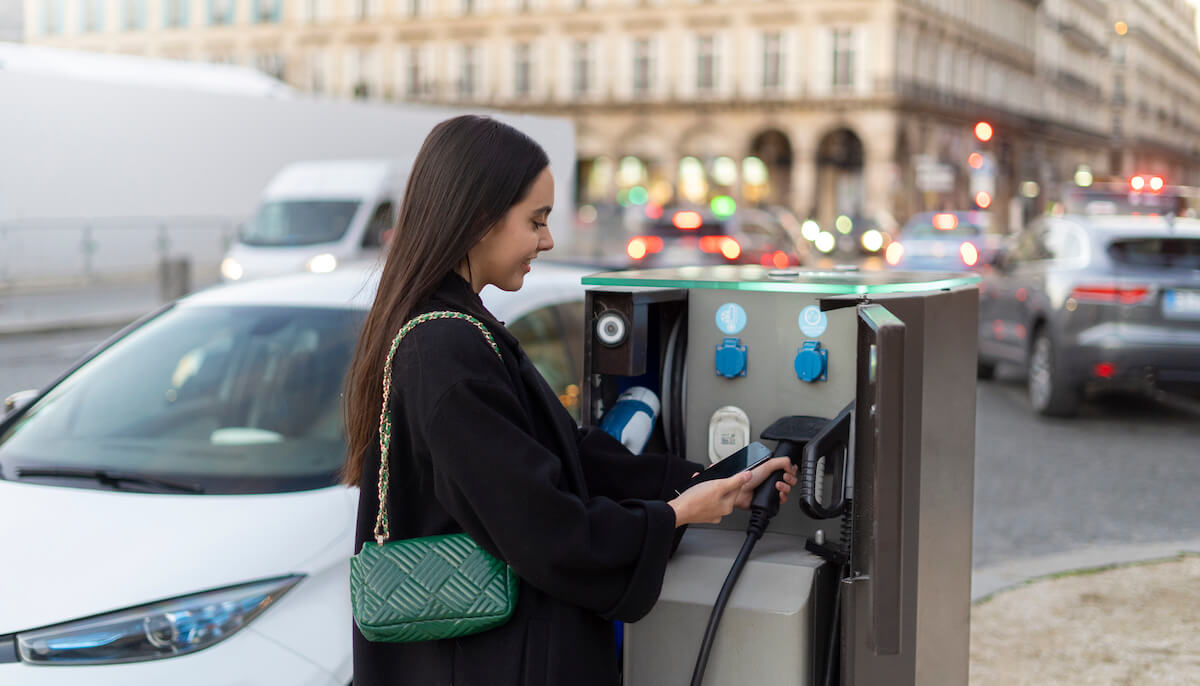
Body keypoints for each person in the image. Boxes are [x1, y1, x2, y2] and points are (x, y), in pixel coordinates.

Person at [342, 114, 798, 686]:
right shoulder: (445, 347)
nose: (548, 240)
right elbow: (545, 530)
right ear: (480, 219)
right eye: (536, 221)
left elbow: (565, 456)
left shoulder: (455, 329)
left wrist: (704, 479)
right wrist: (678, 514)